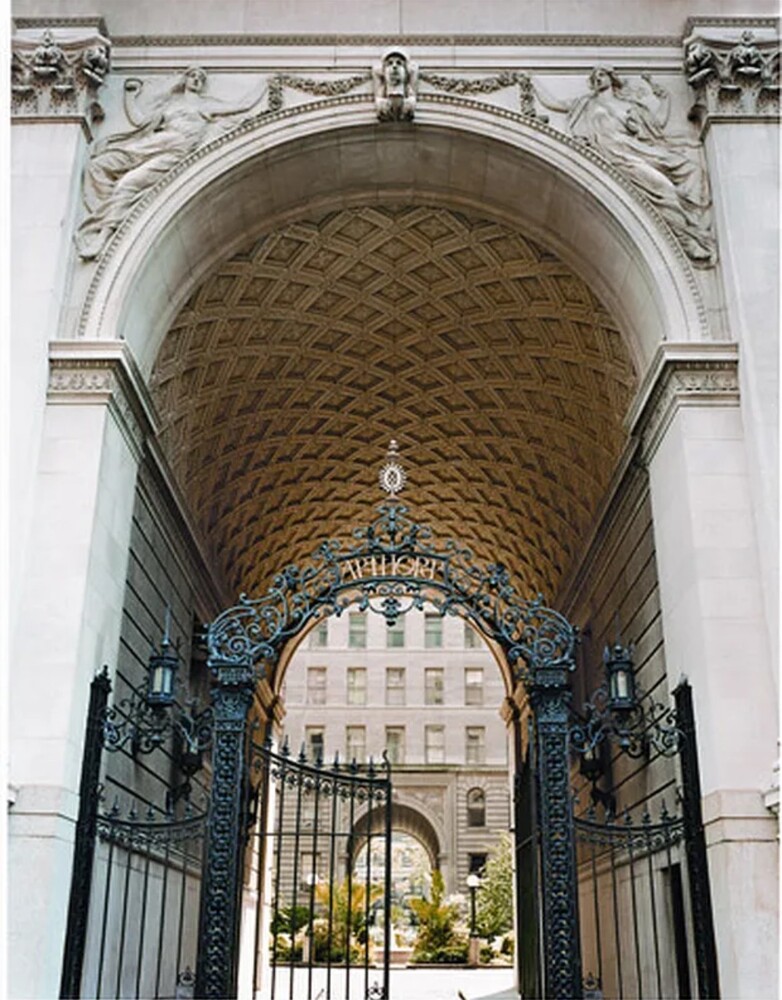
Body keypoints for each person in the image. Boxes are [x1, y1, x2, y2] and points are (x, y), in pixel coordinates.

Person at [75, 66, 265, 259]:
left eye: (201, 77)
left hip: (175, 152)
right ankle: (112, 218)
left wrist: (269, 82)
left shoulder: (206, 105)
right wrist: (130, 96)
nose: (196, 79)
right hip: (153, 144)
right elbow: (141, 122)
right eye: (193, 75)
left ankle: (105, 234)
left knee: (128, 183)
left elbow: (243, 105)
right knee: (99, 165)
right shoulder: (170, 105)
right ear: (185, 79)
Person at [534, 66, 716, 265]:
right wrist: (529, 82)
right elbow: (553, 103)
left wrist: (665, 100)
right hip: (613, 158)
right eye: (595, 77)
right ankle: (686, 239)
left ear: (612, 78)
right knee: (663, 189)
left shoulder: (629, 106)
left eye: (602, 75)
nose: (598, 79)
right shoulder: (586, 103)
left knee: (686, 172)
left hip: (634, 151)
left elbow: (657, 124)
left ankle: (692, 229)